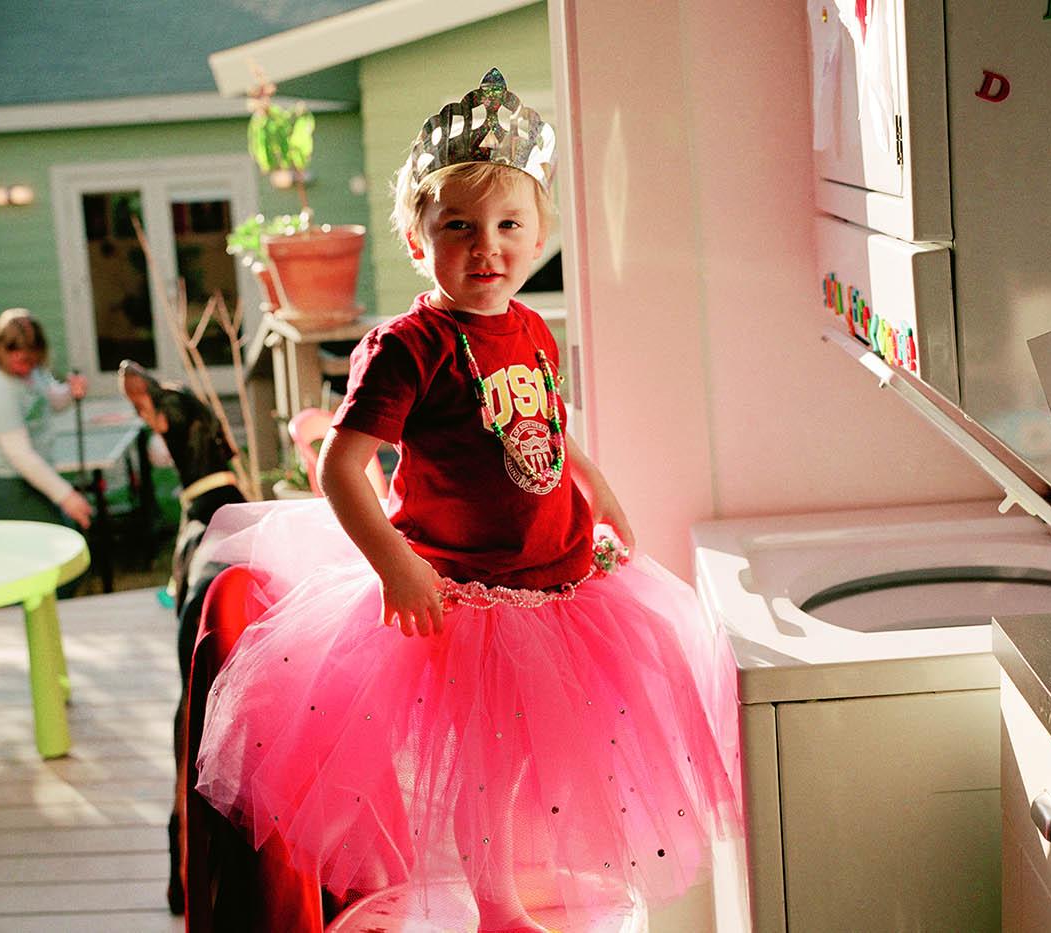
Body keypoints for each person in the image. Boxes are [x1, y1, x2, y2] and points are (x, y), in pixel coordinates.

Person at [194, 69, 742, 932]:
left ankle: (506, 887)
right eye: (459, 227)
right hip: (464, 592)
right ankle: (490, 904)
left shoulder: (526, 323)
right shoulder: (408, 347)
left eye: (507, 226)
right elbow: (342, 467)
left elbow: (551, 429)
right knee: (477, 764)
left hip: (559, 583)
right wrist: (396, 567)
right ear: (419, 241)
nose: (485, 247)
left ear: (538, 238)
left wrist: (604, 499)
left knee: (524, 760)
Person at [0, 308, 93, 532]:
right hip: (6, 481)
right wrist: (67, 496)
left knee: (60, 533)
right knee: (54, 537)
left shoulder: (30, 370)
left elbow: (50, 400)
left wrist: (70, 392)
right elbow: (20, 455)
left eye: (29, 358)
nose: (23, 364)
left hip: (35, 472)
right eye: (15, 355)